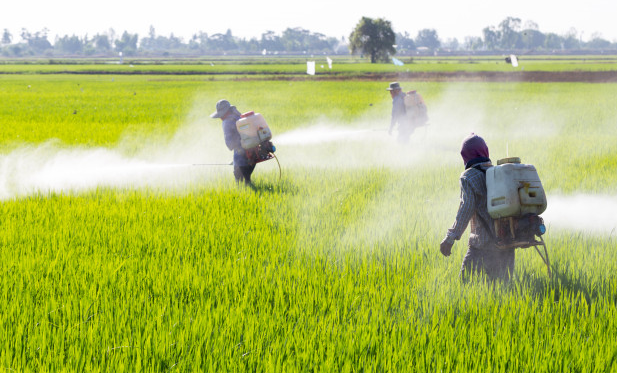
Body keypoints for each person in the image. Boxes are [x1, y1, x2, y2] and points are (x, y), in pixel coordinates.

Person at [439, 133, 515, 282]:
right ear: (485, 151)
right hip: (507, 240)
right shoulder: (498, 173)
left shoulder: (469, 176)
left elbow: (465, 209)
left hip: (482, 244)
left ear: (466, 156)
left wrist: (450, 237)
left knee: (465, 285)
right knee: (503, 289)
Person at [210, 99, 255, 186]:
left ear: (225, 112)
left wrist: (237, 161)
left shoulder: (227, 122)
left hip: (242, 158)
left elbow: (230, 143)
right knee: (247, 182)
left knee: (241, 186)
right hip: (253, 154)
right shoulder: (238, 116)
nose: (220, 117)